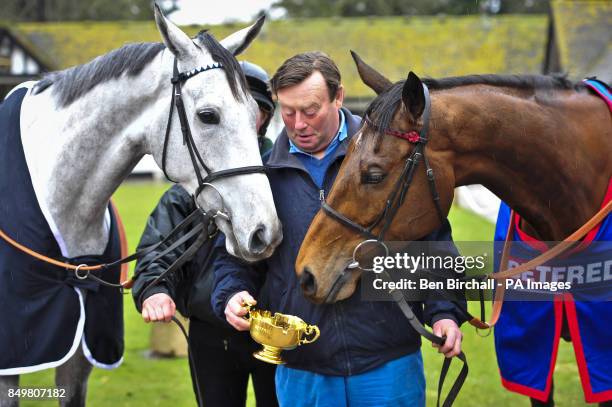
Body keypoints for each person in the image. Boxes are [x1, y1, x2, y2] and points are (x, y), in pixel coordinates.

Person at [211, 51, 465, 407]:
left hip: (389, 364)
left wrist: (444, 313)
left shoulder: (389, 157)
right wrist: (232, 293)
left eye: (310, 110)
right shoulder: (262, 177)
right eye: (287, 111)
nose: (298, 123)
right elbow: (234, 259)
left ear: (339, 97)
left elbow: (432, 241)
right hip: (302, 370)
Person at [131, 61, 279, 407]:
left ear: (264, 116)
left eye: (255, 111)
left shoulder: (284, 173)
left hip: (276, 331)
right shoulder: (191, 186)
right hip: (210, 332)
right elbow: (159, 245)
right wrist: (154, 289)